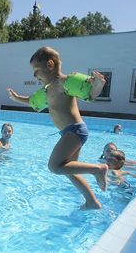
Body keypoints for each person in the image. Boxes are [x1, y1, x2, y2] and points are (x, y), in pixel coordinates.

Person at [7, 46, 108, 210]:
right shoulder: (46, 90)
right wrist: (17, 97)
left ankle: (98, 169)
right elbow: (33, 101)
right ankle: (92, 202)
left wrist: (97, 85)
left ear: (50, 65)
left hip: (75, 130)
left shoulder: (65, 82)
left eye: (36, 70)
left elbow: (89, 93)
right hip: (69, 132)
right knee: (70, 170)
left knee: (54, 166)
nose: (34, 75)